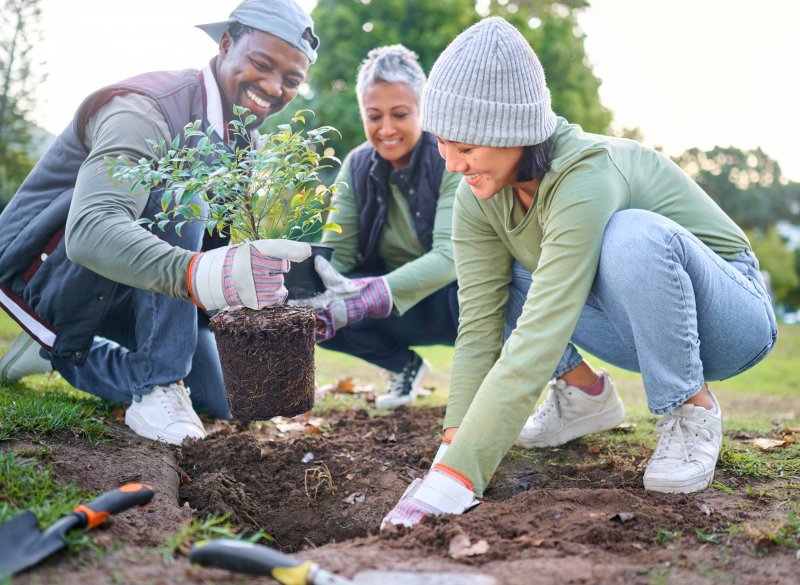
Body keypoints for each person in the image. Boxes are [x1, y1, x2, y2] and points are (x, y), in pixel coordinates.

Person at [381, 17, 778, 529]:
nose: (451, 163)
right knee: (484, 288)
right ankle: (583, 396)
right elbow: (480, 325)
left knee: (629, 236)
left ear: (512, 132)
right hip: (632, 325)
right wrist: (451, 452)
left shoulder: (587, 170)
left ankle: (691, 408)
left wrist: (460, 480)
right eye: (442, 143)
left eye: (465, 147)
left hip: (730, 318)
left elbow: (547, 321)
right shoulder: (477, 196)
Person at [0, 0, 319, 445]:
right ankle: (156, 386)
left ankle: (61, 353)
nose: (272, 86)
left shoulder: (243, 140)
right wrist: (198, 274)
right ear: (226, 44)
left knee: (223, 395)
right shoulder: (146, 107)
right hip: (45, 267)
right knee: (181, 192)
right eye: (262, 64)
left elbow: (213, 244)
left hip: (133, 285)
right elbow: (90, 231)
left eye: (291, 81)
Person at [306, 45, 461, 409]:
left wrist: (369, 295)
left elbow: (451, 256)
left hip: (454, 301)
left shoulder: (450, 157)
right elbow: (337, 256)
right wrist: (300, 296)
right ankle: (402, 365)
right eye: (374, 116)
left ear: (423, 110)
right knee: (315, 306)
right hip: (394, 308)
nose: (386, 128)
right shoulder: (357, 165)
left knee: (491, 287)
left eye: (400, 114)